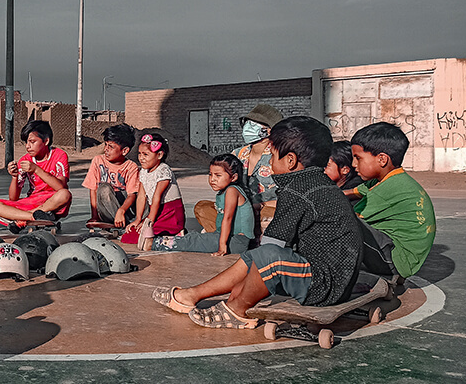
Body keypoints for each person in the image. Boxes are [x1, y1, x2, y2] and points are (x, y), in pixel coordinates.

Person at [155, 116, 362, 329]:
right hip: (333, 278)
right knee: (257, 255)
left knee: (267, 254)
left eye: (272, 156)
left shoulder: (298, 191)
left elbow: (272, 248)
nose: (270, 162)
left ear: (290, 160)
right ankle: (193, 294)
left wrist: (244, 289)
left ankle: (237, 308)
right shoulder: (317, 184)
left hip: (324, 287)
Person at [346, 122, 436, 278]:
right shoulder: (387, 179)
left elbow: (343, 220)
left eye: (358, 158)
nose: (354, 164)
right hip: (397, 253)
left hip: (395, 262)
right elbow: (350, 193)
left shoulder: (389, 190)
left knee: (340, 220)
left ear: (382, 159)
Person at [194, 104, 283, 235]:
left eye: (253, 125)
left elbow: (287, 196)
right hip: (237, 208)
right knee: (202, 208)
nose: (247, 128)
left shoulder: (280, 156)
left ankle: (230, 233)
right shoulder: (237, 154)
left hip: (264, 209)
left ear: (269, 130)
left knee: (270, 216)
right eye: (246, 123)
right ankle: (232, 234)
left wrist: (261, 205)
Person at [145, 153, 254, 255]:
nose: (212, 179)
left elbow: (228, 218)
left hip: (237, 241)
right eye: (210, 175)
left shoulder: (232, 191)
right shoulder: (225, 192)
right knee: (195, 237)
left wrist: (222, 245)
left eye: (218, 175)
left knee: (194, 241)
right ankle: (162, 241)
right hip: (226, 237)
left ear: (234, 177)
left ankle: (154, 244)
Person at [0, 120, 72, 234]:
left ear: (46, 141)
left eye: (32, 142)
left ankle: (23, 219)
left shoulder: (59, 155)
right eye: (26, 142)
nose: (28, 146)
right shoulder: (24, 160)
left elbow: (60, 187)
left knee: (65, 194)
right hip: (31, 202)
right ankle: (33, 217)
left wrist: (36, 169)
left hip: (52, 204)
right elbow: (13, 198)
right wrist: (14, 176)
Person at [124, 133, 185, 246]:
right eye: (140, 154)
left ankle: (176, 233)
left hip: (170, 213)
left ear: (160, 155)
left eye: (146, 154)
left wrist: (149, 221)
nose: (141, 158)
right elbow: (141, 196)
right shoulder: (143, 172)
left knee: (144, 236)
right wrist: (138, 219)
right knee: (128, 236)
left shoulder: (163, 171)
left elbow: (157, 197)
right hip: (156, 211)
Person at [83, 124, 140, 231]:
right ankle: (123, 225)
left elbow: (131, 195)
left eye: (111, 147)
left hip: (124, 211)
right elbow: (93, 190)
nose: (106, 149)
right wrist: (94, 216)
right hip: (106, 211)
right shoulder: (98, 160)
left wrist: (121, 211)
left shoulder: (131, 167)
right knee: (104, 188)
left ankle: (126, 222)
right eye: (105, 145)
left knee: (143, 193)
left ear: (125, 151)